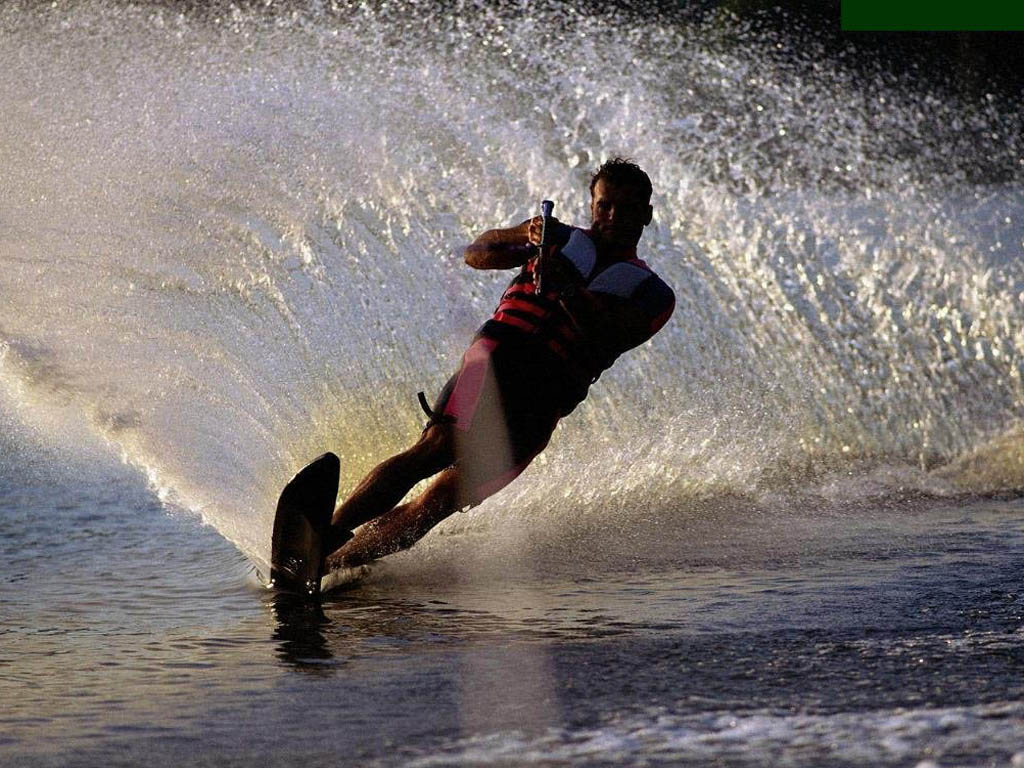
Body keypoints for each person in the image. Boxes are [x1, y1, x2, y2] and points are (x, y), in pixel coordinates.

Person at [325, 158, 675, 570]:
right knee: (435, 449)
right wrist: (525, 240)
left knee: (437, 504)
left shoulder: (652, 293)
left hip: (544, 401)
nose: (613, 217)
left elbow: (613, 332)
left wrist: (568, 291)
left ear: (647, 215)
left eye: (628, 209)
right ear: (592, 205)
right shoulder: (555, 237)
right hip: (497, 357)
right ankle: (325, 535)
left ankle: (330, 565)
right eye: (604, 206)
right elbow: (477, 254)